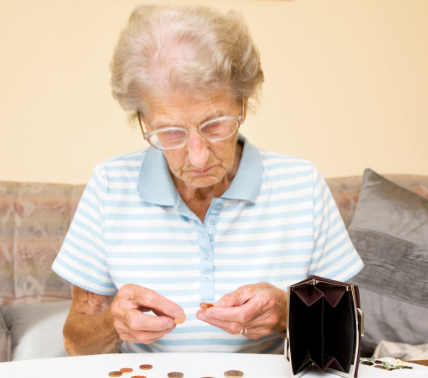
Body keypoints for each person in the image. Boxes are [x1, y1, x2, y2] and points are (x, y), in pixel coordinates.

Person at [52, 4, 363, 355]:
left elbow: (347, 335)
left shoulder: (301, 185)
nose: (198, 156)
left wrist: (286, 315)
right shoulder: (110, 186)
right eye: (171, 132)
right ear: (144, 121)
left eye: (214, 124)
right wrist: (112, 323)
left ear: (242, 104)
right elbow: (75, 342)